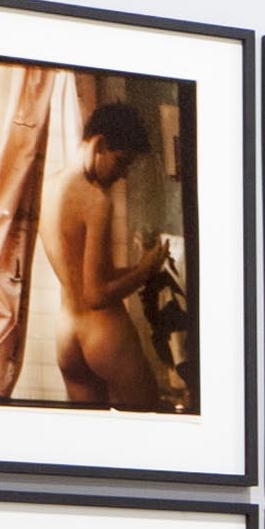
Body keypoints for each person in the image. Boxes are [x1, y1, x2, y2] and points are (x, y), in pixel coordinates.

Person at [44, 94, 187, 413]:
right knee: (147, 423)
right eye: (122, 162)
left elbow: (84, 277)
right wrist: (145, 271)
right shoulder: (96, 199)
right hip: (103, 334)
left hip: (67, 335)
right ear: (99, 144)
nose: (123, 175)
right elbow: (96, 295)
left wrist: (141, 266)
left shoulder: (50, 186)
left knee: (89, 435)